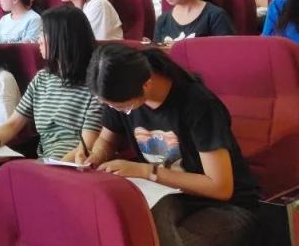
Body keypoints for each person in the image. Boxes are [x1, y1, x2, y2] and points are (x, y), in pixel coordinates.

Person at [78, 43, 259, 246]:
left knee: (153, 240)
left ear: (146, 84)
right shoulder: (121, 95)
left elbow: (220, 187)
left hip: (226, 206)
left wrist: (147, 171)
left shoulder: (199, 105)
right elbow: (106, 140)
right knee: (127, 230)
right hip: (167, 195)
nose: (116, 110)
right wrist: (96, 155)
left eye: (120, 106)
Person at [0, 7, 102, 160]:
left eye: (43, 32)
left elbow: (87, 146)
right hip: (46, 161)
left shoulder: (95, 85)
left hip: (73, 164)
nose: (39, 39)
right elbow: (13, 124)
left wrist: (52, 168)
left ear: (62, 38)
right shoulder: (42, 78)